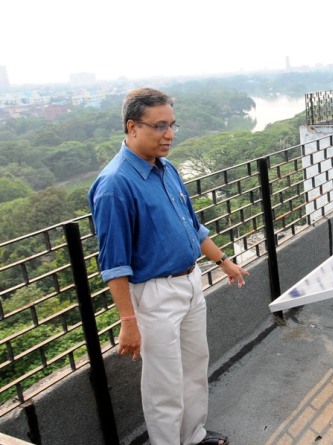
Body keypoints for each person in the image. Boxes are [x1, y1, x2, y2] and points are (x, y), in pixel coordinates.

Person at [88, 87, 248, 445]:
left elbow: (192, 227)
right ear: (132, 127)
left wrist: (223, 261)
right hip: (154, 294)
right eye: (159, 126)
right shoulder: (115, 185)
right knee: (164, 384)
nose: (169, 135)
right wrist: (128, 322)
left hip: (191, 282)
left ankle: (193, 436)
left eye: (172, 125)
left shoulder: (167, 168)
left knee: (194, 369)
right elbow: (114, 264)